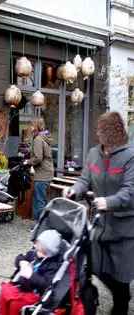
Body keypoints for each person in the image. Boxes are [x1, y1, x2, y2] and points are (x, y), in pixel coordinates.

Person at [63, 111, 134, 315]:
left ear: (112, 132)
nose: (97, 133)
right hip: (100, 225)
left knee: (120, 279)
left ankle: (121, 303)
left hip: (124, 230)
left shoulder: (130, 157)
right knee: (93, 266)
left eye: (100, 130)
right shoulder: (94, 153)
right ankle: (91, 298)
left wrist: (108, 202)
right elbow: (85, 179)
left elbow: (130, 191)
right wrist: (74, 190)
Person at [0, 229, 62, 315]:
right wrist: (22, 262)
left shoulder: (52, 266)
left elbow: (46, 284)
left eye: (41, 251)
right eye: (37, 248)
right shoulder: (33, 254)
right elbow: (20, 257)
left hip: (34, 293)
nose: (37, 252)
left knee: (15, 304)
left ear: (49, 253)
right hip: (22, 286)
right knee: (4, 291)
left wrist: (31, 275)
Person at [26, 118, 54, 221]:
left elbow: (38, 158)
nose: (30, 127)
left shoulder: (38, 139)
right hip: (47, 172)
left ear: (37, 126)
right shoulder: (44, 137)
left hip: (42, 174)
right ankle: (45, 223)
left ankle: (39, 225)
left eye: (32, 125)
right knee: (42, 199)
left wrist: (28, 162)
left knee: (39, 200)